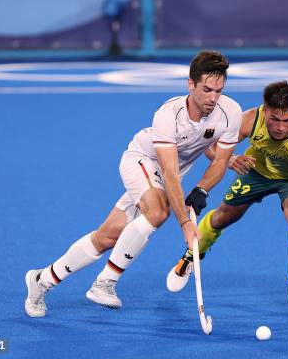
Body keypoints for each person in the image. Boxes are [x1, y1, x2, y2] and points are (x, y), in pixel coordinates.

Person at [24, 50, 242, 317]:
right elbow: (170, 173)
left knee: (106, 237)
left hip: (162, 176)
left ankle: (41, 280)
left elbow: (219, 160)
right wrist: (185, 223)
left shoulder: (230, 112)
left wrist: (202, 189)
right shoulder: (167, 115)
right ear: (190, 84)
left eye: (219, 90)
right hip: (143, 160)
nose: (213, 98)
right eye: (207, 89)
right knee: (158, 211)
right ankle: (105, 283)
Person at [166, 80, 288, 317]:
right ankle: (192, 255)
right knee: (224, 217)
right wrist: (232, 159)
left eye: (287, 120)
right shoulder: (250, 119)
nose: (281, 128)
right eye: (274, 119)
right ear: (264, 110)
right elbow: (210, 147)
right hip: (256, 172)